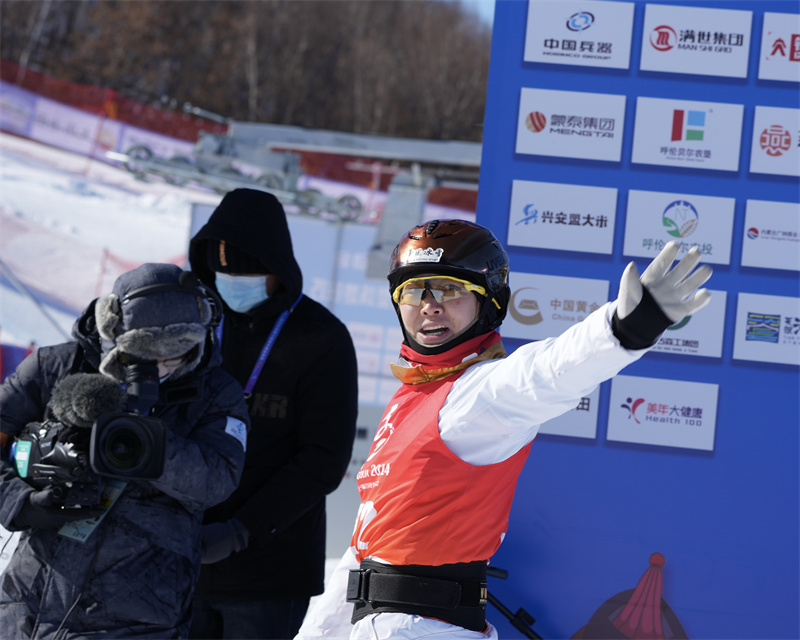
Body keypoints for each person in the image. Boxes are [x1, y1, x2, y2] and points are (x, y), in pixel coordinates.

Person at [295, 219, 713, 640]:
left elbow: (546, 372)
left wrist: (622, 327)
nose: (429, 305)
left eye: (450, 289)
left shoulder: (477, 394)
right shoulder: (408, 400)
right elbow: (364, 552)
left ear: (491, 302)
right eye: (412, 291)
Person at [0, 262, 250, 639]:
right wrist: (20, 501)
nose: (161, 368)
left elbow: (218, 478)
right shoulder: (55, 367)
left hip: (138, 616)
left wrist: (148, 443)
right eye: (144, 355)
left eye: (175, 355)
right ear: (112, 329)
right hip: (29, 604)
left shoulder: (216, 393)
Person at [187, 188, 358, 639]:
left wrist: (241, 531)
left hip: (270, 571)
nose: (229, 281)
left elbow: (322, 460)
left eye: (242, 271)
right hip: (180, 561)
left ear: (275, 268)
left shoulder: (322, 338)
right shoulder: (195, 326)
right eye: (220, 270)